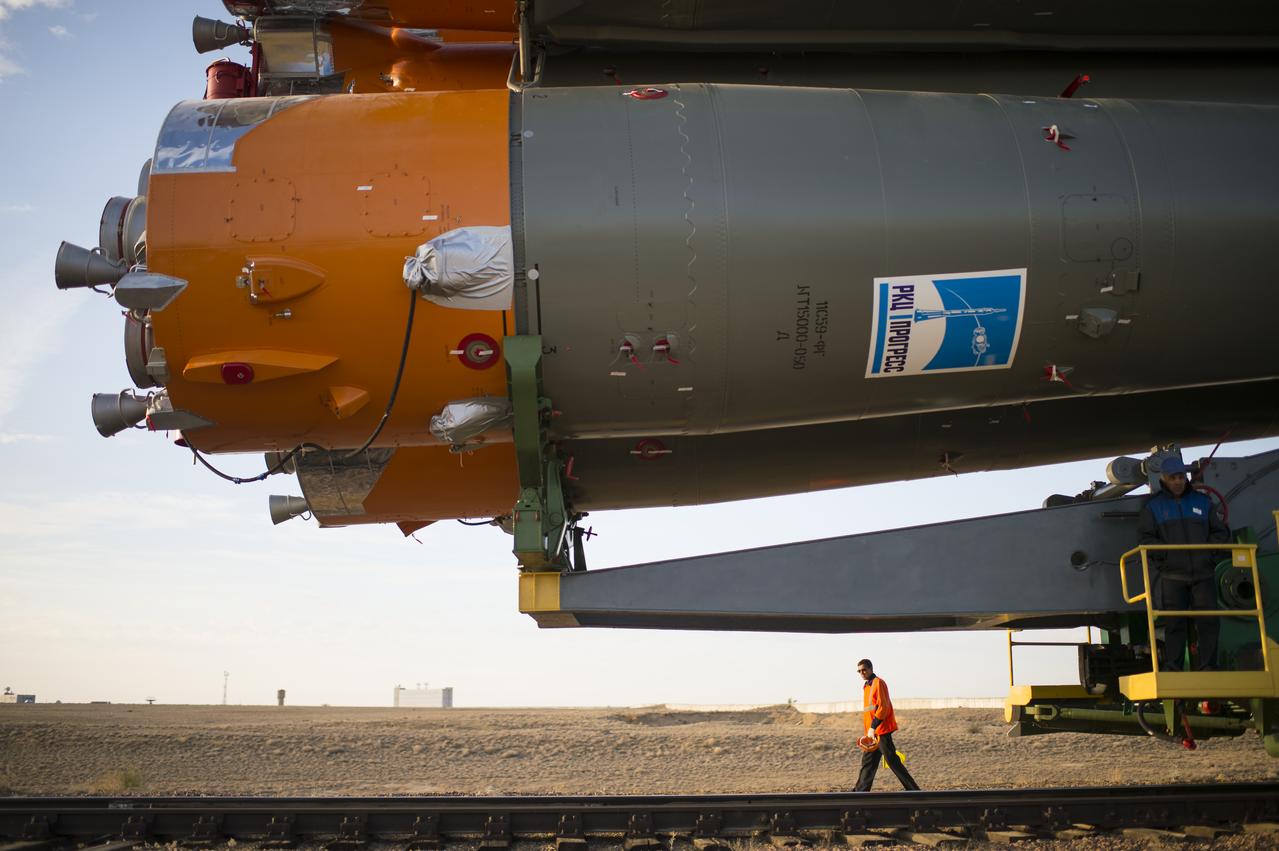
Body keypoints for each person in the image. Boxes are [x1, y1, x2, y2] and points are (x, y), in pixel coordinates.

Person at [1137, 457, 1230, 671]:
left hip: (1203, 574)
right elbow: (1146, 539)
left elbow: (1220, 532)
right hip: (1172, 577)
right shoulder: (1153, 507)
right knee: (1174, 623)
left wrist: (1209, 556)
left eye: (1181, 477)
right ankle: (1173, 666)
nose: (1178, 481)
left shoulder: (1203, 502)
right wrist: (1166, 560)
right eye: (1173, 478)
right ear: (1163, 479)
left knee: (1208, 622)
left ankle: (1209, 666)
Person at [854, 659, 920, 791]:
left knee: (892, 761)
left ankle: (914, 791)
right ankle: (859, 793)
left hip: (881, 731)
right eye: (859, 671)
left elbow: (883, 707)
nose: (862, 673)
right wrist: (869, 731)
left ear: (871, 669)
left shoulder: (878, 683)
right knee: (868, 763)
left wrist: (873, 727)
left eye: (864, 670)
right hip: (873, 733)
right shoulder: (867, 686)